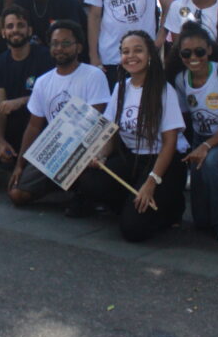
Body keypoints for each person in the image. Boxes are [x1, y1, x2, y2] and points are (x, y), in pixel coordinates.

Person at [74, 31, 187, 240]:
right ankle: (132, 204)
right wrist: (101, 156)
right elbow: (111, 132)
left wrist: (151, 182)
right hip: (132, 158)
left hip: (163, 162)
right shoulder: (120, 87)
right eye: (126, 51)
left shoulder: (164, 90)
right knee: (90, 181)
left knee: (132, 231)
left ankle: (169, 207)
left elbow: (170, 143)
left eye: (138, 50)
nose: (131, 56)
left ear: (150, 55)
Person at [7, 20, 109, 209]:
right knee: (16, 195)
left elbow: (96, 120)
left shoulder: (94, 75)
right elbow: (33, 126)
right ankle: (62, 185)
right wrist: (20, 165)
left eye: (66, 43)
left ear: (79, 47)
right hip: (54, 151)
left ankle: (78, 189)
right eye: (54, 43)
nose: (59, 48)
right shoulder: (43, 82)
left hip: (86, 149)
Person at [169, 22, 218, 247]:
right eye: (187, 52)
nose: (194, 57)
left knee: (211, 162)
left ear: (209, 50)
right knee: (201, 220)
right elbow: (185, 120)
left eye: (200, 51)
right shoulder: (181, 79)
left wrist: (205, 147)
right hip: (201, 139)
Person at [0, 6, 54, 164]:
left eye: (20, 25)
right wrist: (0, 141)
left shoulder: (46, 57)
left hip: (42, 132)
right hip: (14, 131)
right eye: (10, 26)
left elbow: (51, 97)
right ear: (3, 32)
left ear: (29, 30)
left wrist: (21, 101)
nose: (15, 30)